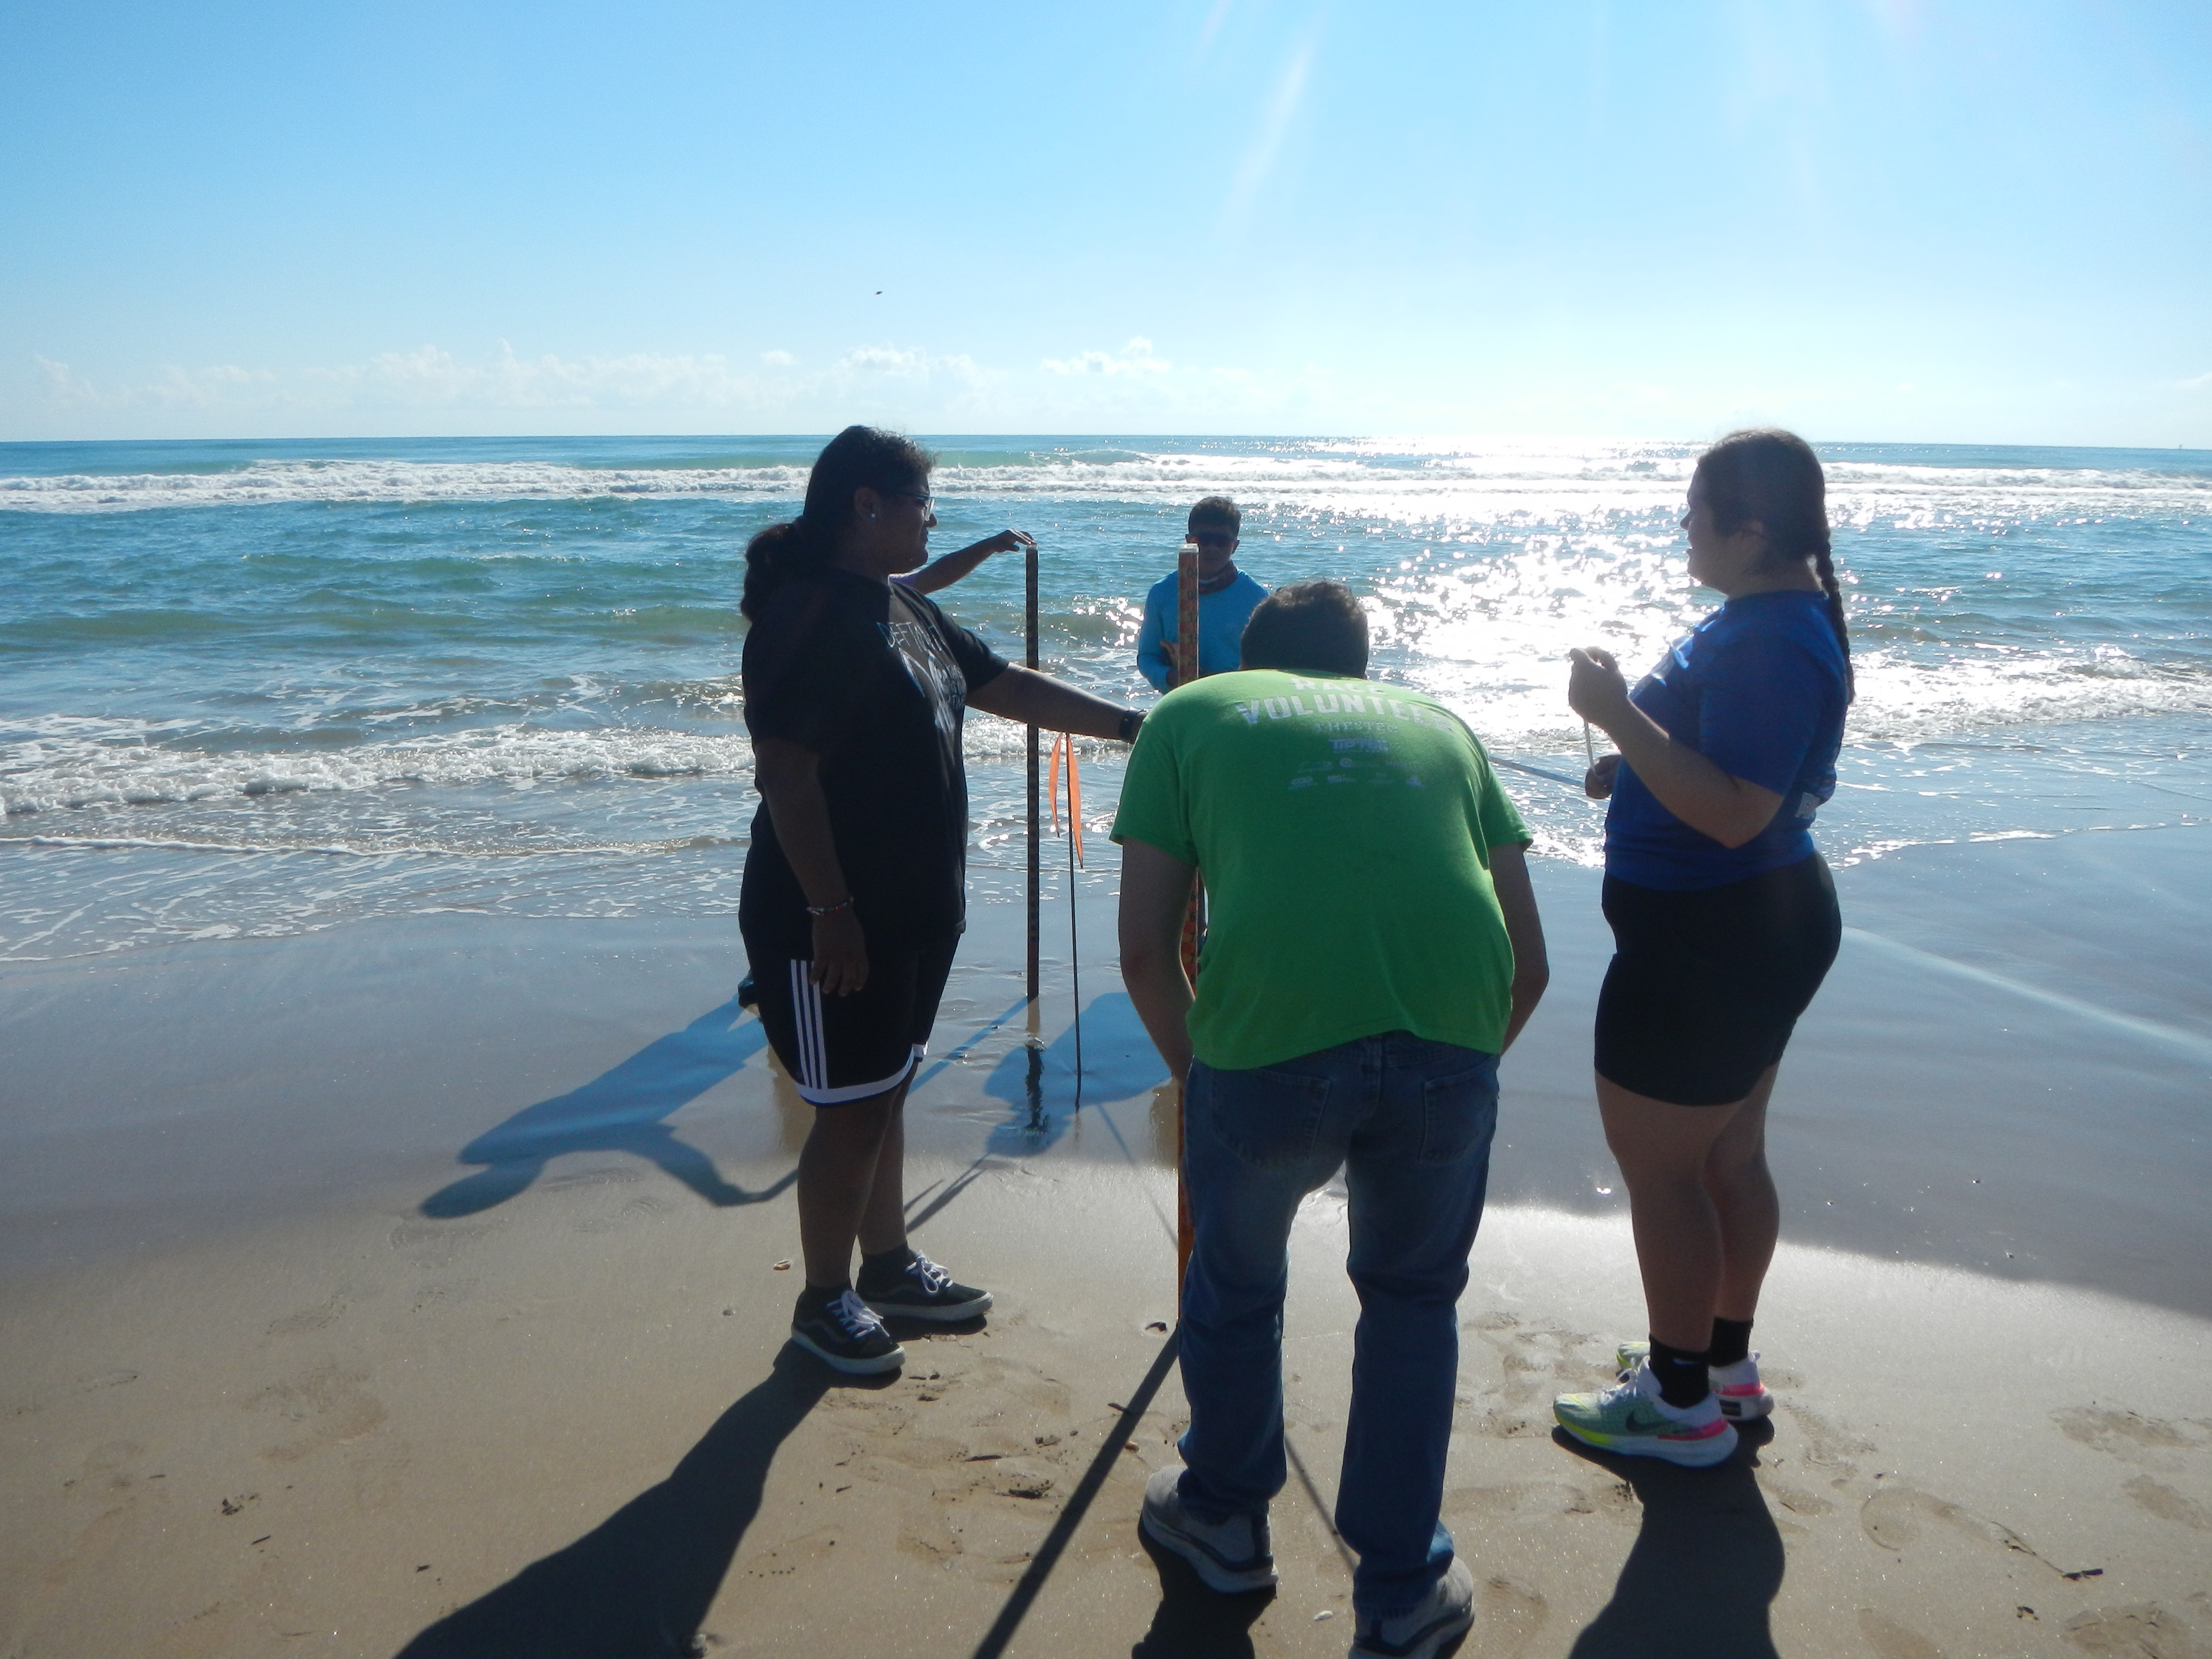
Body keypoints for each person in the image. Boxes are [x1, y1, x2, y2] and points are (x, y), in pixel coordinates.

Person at [1113, 581, 1548, 1659]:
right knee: (1410, 1303)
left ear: (1250, 656)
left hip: (1271, 1052)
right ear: (1360, 668)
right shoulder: (1443, 726)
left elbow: (1144, 948)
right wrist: (1453, 1080)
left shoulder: (1190, 712)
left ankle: (1224, 1514)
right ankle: (1401, 1590)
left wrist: (1206, 1078)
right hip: (1450, 1042)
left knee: (1236, 1279)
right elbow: (1528, 965)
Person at [739, 425, 1146, 1376]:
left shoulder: (900, 609)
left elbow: (1003, 684)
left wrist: (1134, 726)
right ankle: (823, 1298)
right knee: (849, 1111)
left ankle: (885, 1267)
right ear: (866, 505)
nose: (934, 518)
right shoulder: (805, 619)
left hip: (918, 911)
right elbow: (786, 778)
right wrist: (831, 912)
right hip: (830, 921)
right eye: (925, 502)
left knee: (884, 1094)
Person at [1551, 429, 1851, 1467]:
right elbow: (1719, 771)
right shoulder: (1771, 619)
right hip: (1743, 932)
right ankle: (1722, 1369)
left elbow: (1734, 811)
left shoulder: (1771, 637)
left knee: (1667, 1174)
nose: (1683, 527)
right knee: (1726, 1155)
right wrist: (1630, 765)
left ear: (1751, 530)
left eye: (1695, 511)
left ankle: (1679, 1402)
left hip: (1711, 943)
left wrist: (1617, 718)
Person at [1134, 495, 1268, 690]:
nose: (1212, 548)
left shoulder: (1256, 598)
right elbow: (1147, 656)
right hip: (1180, 698)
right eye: (1203, 540)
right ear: (1189, 541)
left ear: (1235, 546)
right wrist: (1170, 677)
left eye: (1222, 542)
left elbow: (1266, 664)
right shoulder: (1162, 593)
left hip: (1233, 699)